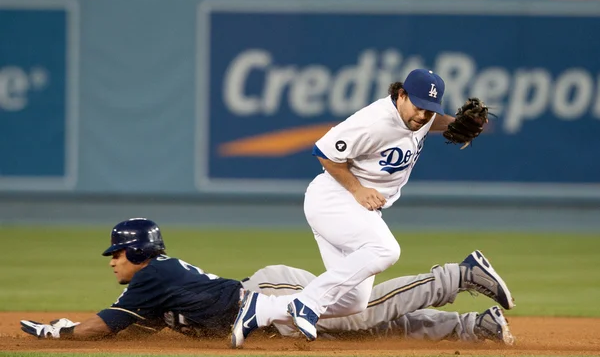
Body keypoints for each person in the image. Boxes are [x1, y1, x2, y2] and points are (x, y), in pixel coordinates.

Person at [231, 69, 512, 347]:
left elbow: (431, 120)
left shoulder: (419, 116)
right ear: (401, 95)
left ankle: (262, 309)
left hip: (354, 209)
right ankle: (307, 303)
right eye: (418, 107)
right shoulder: (374, 121)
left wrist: (452, 123)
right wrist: (358, 189)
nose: (422, 116)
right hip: (334, 199)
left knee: (353, 302)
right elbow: (325, 151)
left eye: (429, 110)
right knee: (386, 250)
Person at [21, 218, 514, 346]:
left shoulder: (151, 277)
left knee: (363, 311)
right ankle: (473, 329)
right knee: (363, 332)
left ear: (138, 254)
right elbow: (130, 326)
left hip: (265, 295)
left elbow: (100, 329)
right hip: (263, 313)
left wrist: (59, 331)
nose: (113, 262)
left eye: (117, 253)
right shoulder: (153, 288)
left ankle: (455, 275)